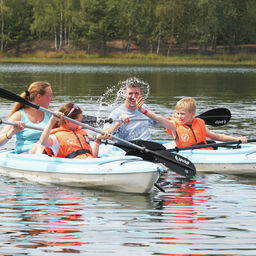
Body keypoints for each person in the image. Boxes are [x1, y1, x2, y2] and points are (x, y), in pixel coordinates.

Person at [136, 96, 247, 148]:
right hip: (188, 154)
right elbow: (158, 118)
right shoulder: (174, 125)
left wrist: (237, 139)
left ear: (192, 114)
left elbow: (217, 137)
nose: (179, 116)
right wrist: (143, 110)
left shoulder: (199, 123)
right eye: (178, 113)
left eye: (182, 114)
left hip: (205, 152)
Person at [39, 102, 110, 158]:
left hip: (89, 164)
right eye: (78, 121)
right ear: (67, 121)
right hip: (74, 168)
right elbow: (43, 142)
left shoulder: (82, 133)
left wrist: (97, 140)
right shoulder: (55, 138)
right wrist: (52, 121)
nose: (80, 124)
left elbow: (93, 157)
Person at [0, 81, 53, 153]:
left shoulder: (51, 115)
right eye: (49, 96)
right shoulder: (18, 115)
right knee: (40, 145)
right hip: (25, 156)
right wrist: (12, 132)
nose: (51, 99)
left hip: (46, 155)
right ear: (39, 97)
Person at [104, 77, 155, 141]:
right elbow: (103, 134)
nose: (133, 97)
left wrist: (170, 120)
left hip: (148, 146)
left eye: (136, 93)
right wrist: (117, 124)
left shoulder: (144, 108)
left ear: (141, 94)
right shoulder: (116, 113)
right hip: (128, 147)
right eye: (130, 93)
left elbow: (157, 123)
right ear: (124, 93)